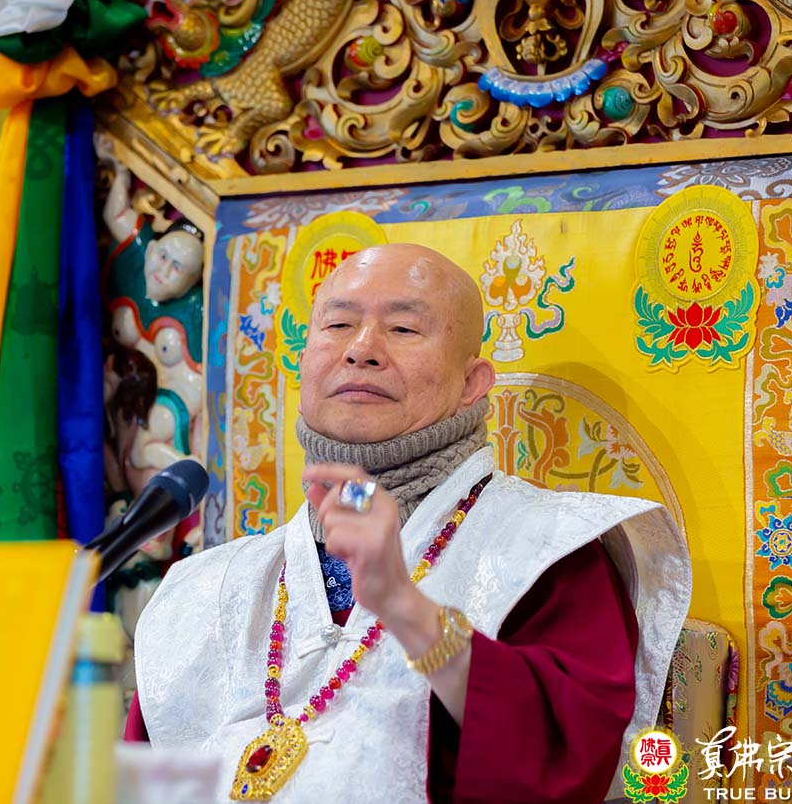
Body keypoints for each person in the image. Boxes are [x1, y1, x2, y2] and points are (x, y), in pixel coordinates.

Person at [127, 243, 692, 802]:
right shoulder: (204, 591)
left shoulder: (546, 552)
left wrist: (406, 609)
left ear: (472, 383)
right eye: (339, 324)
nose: (361, 350)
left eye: (402, 329)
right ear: (302, 364)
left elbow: (564, 762)